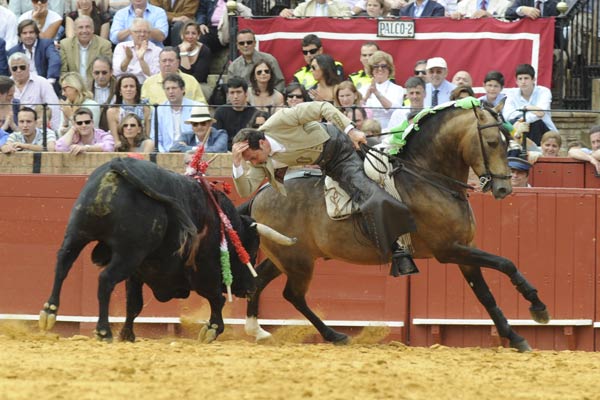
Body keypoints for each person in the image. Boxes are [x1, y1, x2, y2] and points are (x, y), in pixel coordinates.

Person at [231, 101, 418, 275]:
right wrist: (237, 165)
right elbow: (245, 191)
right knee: (365, 194)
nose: (252, 163)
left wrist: (351, 130)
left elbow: (322, 107)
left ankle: (399, 248)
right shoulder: (258, 162)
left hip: (340, 147)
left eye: (252, 157)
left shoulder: (279, 121)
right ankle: (395, 247)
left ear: (262, 143)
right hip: (331, 165)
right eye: (249, 160)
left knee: (377, 185)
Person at [503, 63, 557, 146]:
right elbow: (508, 115)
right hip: (519, 128)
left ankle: (533, 152)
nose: (523, 82)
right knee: (508, 125)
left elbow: (541, 112)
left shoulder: (544, 91)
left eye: (526, 78)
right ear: (516, 81)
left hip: (544, 131)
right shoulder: (511, 93)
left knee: (535, 123)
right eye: (520, 79)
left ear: (533, 79)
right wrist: (528, 110)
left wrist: (521, 118)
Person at [9, 52, 60, 131]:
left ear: (28, 67)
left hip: (38, 131)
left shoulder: (42, 82)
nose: (18, 70)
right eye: (14, 68)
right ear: (10, 70)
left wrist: (54, 131)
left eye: (22, 67)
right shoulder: (6, 85)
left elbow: (53, 108)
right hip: (10, 130)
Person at [150, 72, 199, 152]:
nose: (170, 91)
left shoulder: (196, 107)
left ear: (183, 89)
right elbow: (155, 138)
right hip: (166, 153)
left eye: (174, 88)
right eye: (167, 89)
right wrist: (164, 155)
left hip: (190, 152)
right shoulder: (159, 110)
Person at [141, 46, 207, 105]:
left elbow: (202, 106)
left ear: (178, 62)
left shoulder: (191, 81)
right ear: (159, 63)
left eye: (171, 60)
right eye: (164, 61)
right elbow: (143, 108)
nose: (167, 64)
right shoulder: (148, 83)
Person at [60, 15, 113, 85]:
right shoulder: (65, 44)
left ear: (93, 29)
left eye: (87, 27)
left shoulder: (104, 45)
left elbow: (106, 71)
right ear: (75, 30)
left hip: (96, 87)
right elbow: (63, 72)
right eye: (80, 27)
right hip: (74, 88)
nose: (84, 31)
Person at [8, 19, 61, 88]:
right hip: (24, 86)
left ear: (36, 34)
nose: (28, 36)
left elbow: (55, 60)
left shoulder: (46, 44)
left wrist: (50, 81)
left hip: (46, 84)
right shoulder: (13, 51)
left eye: (31, 32)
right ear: (19, 36)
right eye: (24, 33)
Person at [360, 50, 404, 129]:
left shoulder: (398, 89)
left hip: (389, 129)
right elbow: (357, 110)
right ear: (371, 69)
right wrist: (366, 97)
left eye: (383, 66)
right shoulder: (363, 89)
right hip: (367, 130)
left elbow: (396, 111)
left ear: (389, 69)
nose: (380, 69)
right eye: (376, 66)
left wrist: (377, 93)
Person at [106, 73, 151, 145]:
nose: (129, 89)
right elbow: (116, 140)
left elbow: (147, 136)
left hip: (141, 146)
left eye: (132, 86)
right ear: (120, 91)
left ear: (137, 89)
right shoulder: (112, 111)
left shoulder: (145, 108)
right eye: (125, 86)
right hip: (122, 147)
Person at [112, 18, 161, 83]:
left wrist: (141, 60)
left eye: (145, 32)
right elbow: (116, 71)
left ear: (149, 34)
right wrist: (128, 59)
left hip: (147, 85)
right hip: (125, 85)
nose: (142, 34)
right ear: (131, 33)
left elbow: (155, 75)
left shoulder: (157, 50)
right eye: (138, 31)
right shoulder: (121, 47)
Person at [214, 76, 256, 150]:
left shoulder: (255, 113)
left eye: (239, 92)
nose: (235, 96)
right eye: (232, 93)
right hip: (225, 150)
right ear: (228, 95)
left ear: (246, 93)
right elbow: (216, 137)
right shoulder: (220, 112)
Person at [279, 0, 351, 17]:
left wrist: (330, 2)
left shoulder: (343, 6)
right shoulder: (304, 6)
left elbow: (346, 21)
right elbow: (292, 19)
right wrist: (285, 14)